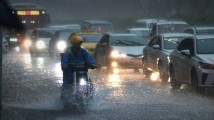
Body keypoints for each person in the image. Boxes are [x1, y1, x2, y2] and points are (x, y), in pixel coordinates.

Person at [60, 33, 96, 98]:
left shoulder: (83, 51)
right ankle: (63, 96)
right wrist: (65, 66)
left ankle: (90, 97)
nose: (78, 45)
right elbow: (64, 61)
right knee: (66, 84)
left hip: (82, 72)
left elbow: (89, 58)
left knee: (89, 83)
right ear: (73, 43)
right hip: (70, 73)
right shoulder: (68, 52)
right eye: (77, 43)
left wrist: (92, 64)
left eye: (79, 43)